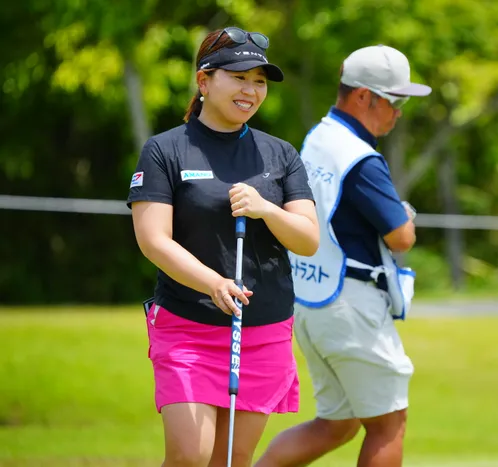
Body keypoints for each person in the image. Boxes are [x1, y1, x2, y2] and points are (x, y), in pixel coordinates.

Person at [127, 26, 319, 467]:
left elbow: (308, 239)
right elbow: (153, 240)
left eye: (259, 81)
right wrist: (213, 282)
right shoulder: (165, 150)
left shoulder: (280, 154)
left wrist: (266, 210)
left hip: (263, 329)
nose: (251, 90)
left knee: (231, 459)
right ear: (204, 81)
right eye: (239, 77)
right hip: (189, 326)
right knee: (189, 456)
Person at [256, 45, 431, 467]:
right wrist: (406, 214)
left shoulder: (319, 138)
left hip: (311, 302)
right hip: (351, 304)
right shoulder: (361, 157)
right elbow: (401, 236)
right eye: (395, 101)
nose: (399, 113)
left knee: (338, 424)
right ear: (364, 96)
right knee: (388, 423)